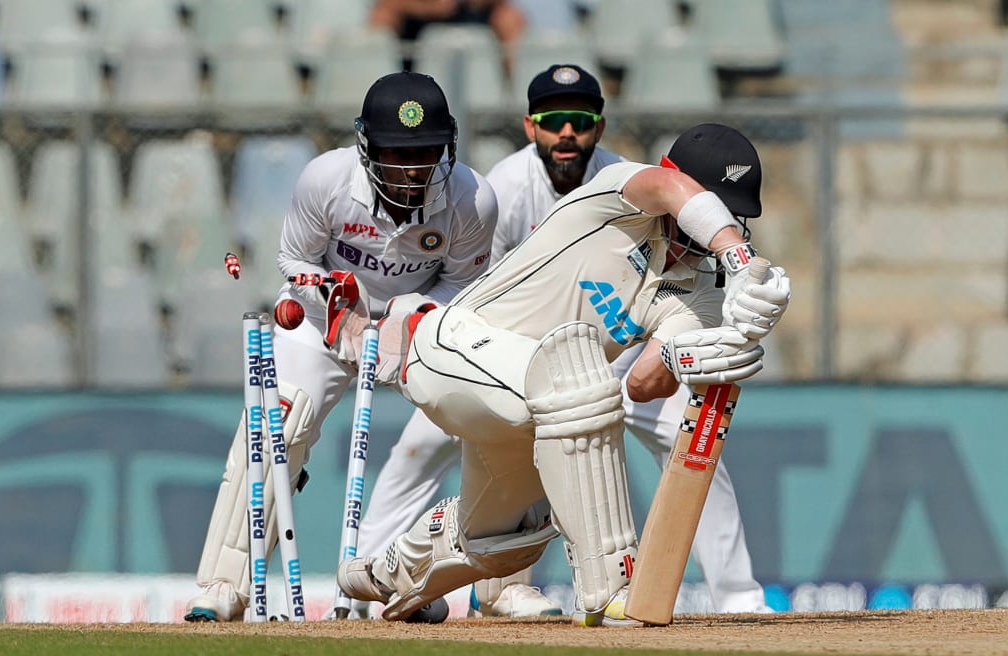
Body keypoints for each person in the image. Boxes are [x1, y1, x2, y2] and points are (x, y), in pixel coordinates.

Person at [355, 63, 771, 619]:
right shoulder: (615, 195)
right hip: (454, 346)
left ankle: (387, 572)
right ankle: (611, 585)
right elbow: (668, 187)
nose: (723, 230)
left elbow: (646, 386)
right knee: (582, 385)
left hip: (529, 404)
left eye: (736, 221)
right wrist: (737, 256)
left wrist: (700, 348)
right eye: (718, 213)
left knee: (505, 542)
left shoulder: (697, 289)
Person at [183, 70, 498, 622]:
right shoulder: (325, 179)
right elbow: (293, 261)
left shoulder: (474, 200)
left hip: (418, 326)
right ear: (367, 147)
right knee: (275, 424)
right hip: (321, 319)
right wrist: (335, 305)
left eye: (425, 151)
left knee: (485, 418)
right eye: (397, 153)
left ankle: (423, 585)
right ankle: (226, 586)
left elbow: (461, 287)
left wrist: (409, 317)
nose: (412, 168)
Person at [369, 0, 526, 77]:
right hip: (416, 16)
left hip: (466, 12)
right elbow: (388, 3)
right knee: (383, 16)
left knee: (510, 18)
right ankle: (384, 89)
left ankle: (510, 97)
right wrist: (431, 8)